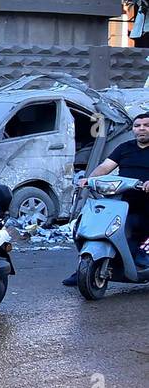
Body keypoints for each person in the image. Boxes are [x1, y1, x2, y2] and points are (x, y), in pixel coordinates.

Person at [63, 111, 149, 284]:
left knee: (137, 234)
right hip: (124, 202)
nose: (141, 129)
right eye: (137, 126)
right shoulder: (125, 148)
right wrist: (90, 179)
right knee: (101, 229)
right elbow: (105, 167)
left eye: (146, 125)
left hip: (147, 204)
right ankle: (87, 266)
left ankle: (141, 261)